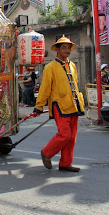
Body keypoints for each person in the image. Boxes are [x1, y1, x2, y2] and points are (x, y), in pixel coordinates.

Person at [34, 36, 85, 172]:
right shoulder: (50, 67)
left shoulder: (73, 65)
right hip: (59, 105)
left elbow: (75, 84)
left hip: (74, 104)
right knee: (65, 135)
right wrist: (39, 105)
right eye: (64, 47)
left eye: (68, 48)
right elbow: (45, 88)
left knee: (72, 137)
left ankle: (65, 163)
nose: (67, 50)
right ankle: (46, 153)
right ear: (57, 49)